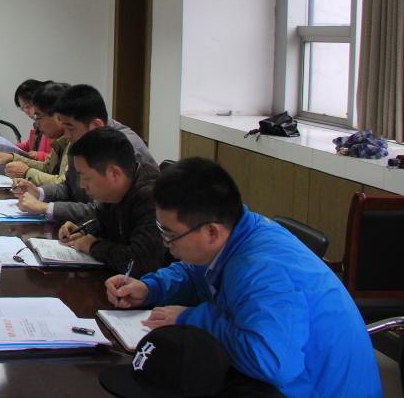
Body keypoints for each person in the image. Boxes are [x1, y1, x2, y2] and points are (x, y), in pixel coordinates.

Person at [105, 158, 381, 398]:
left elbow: (271, 362)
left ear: (211, 231)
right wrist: (150, 287)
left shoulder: (263, 270)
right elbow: (194, 271)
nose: (166, 245)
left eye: (170, 235)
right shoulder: (237, 231)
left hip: (313, 389)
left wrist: (192, 320)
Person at [12, 84, 157, 223]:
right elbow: (69, 186)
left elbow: (100, 211)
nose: (66, 136)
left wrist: (46, 208)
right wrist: (38, 192)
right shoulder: (82, 139)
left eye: (70, 128)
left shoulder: (124, 149)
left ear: (95, 126)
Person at [56, 127, 168, 277]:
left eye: (86, 177)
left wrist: (93, 246)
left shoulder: (151, 197)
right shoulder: (115, 191)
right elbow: (104, 222)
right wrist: (83, 230)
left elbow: (140, 263)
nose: (82, 185)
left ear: (114, 174)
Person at [0, 82, 72, 185]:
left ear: (59, 116)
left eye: (38, 117)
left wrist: (27, 172)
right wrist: (12, 157)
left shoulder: (76, 142)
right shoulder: (61, 139)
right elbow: (48, 169)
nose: (37, 124)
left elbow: (64, 184)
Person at [12, 79, 52, 162]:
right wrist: (10, 147)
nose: (26, 112)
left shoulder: (55, 126)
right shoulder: (38, 125)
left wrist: (40, 155)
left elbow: (62, 160)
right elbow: (30, 146)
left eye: (27, 107)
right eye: (23, 109)